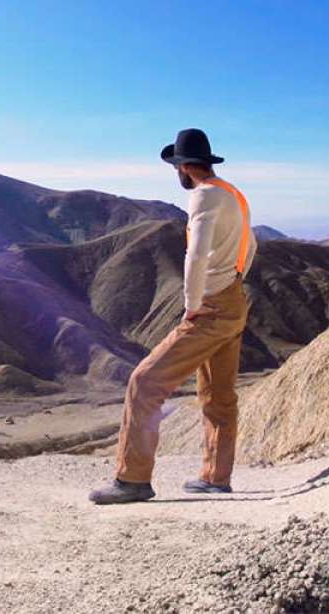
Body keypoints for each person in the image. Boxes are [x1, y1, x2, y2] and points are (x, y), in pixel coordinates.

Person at [89, 128, 257, 505]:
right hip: (235, 300)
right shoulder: (234, 195)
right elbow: (253, 242)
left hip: (211, 305)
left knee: (144, 382)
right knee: (218, 394)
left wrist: (192, 303)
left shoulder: (203, 196)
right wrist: (236, 277)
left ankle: (132, 480)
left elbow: (195, 255)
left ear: (183, 167)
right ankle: (216, 476)